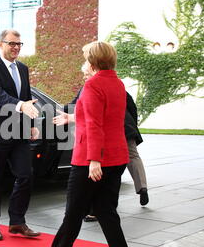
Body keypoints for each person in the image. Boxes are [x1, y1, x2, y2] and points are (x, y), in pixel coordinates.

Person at [41, 41, 132, 247]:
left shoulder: (92, 85)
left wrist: (94, 160)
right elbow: (104, 117)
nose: (82, 64)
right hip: (116, 157)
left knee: (74, 209)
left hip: (91, 160)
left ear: (92, 62)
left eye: (84, 59)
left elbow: (94, 124)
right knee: (106, 211)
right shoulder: (118, 83)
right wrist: (71, 118)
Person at [54, 64, 149, 213]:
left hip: (111, 133)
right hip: (125, 129)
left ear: (92, 69)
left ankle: (95, 210)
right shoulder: (117, 84)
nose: (84, 77)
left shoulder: (90, 87)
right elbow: (131, 106)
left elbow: (90, 119)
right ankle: (142, 187)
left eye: (85, 74)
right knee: (132, 158)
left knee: (103, 169)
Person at [0, 29, 41, 241]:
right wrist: (22, 106)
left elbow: (26, 96)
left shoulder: (23, 68)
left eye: (19, 44)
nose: (16, 47)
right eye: (11, 43)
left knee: (25, 175)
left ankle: (17, 222)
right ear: (0, 44)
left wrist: (32, 124)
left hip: (20, 132)